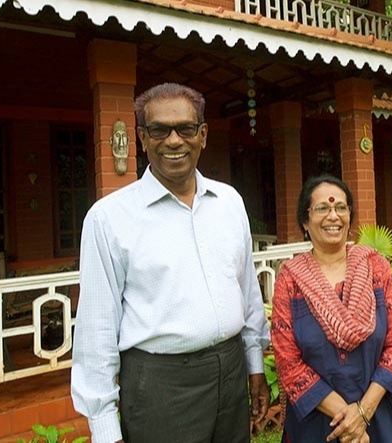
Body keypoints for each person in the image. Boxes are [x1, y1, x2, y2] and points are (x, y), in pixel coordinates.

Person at [71, 82, 270, 443]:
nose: (174, 141)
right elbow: (96, 329)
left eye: (186, 129)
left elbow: (247, 291)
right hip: (161, 386)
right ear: (143, 139)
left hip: (231, 371)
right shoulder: (109, 217)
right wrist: (103, 428)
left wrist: (254, 364)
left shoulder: (229, 202)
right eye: (159, 130)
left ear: (203, 135)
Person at [271, 175, 392, 443]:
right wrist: (349, 419)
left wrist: (363, 413)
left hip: (379, 418)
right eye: (322, 208)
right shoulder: (290, 280)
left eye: (341, 207)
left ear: (350, 216)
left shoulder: (377, 269)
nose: (333, 216)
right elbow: (287, 360)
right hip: (316, 425)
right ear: (305, 221)